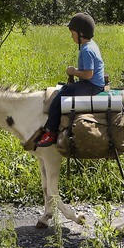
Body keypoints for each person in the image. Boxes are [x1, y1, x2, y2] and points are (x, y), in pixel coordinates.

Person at [34, 12, 106, 148]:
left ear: (81, 34)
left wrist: (73, 72)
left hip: (91, 86)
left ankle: (51, 133)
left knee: (60, 98)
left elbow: (89, 74)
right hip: (92, 84)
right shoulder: (91, 45)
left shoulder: (87, 50)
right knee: (65, 88)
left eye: (73, 33)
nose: (71, 36)